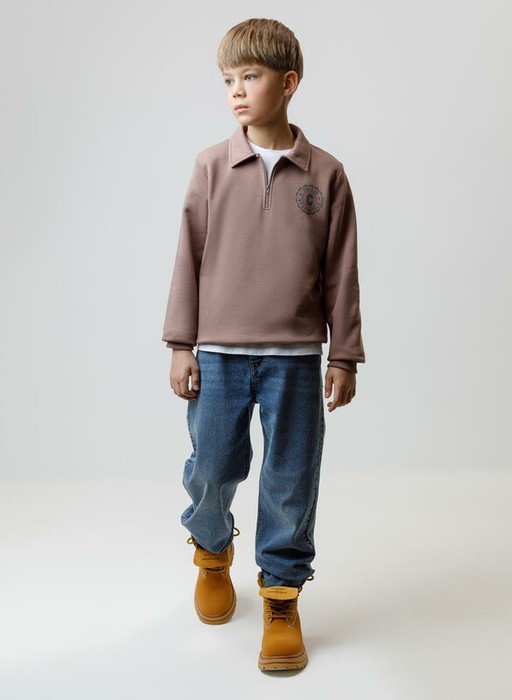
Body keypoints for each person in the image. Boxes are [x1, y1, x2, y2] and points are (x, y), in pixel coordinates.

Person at [161, 17, 365, 671]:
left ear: (288, 82)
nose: (236, 90)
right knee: (213, 466)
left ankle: (280, 596)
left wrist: (343, 354)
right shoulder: (210, 166)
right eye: (228, 79)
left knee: (290, 479)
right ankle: (211, 550)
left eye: (249, 76)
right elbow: (188, 256)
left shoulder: (325, 174)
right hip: (219, 353)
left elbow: (341, 271)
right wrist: (181, 342)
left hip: (296, 358)